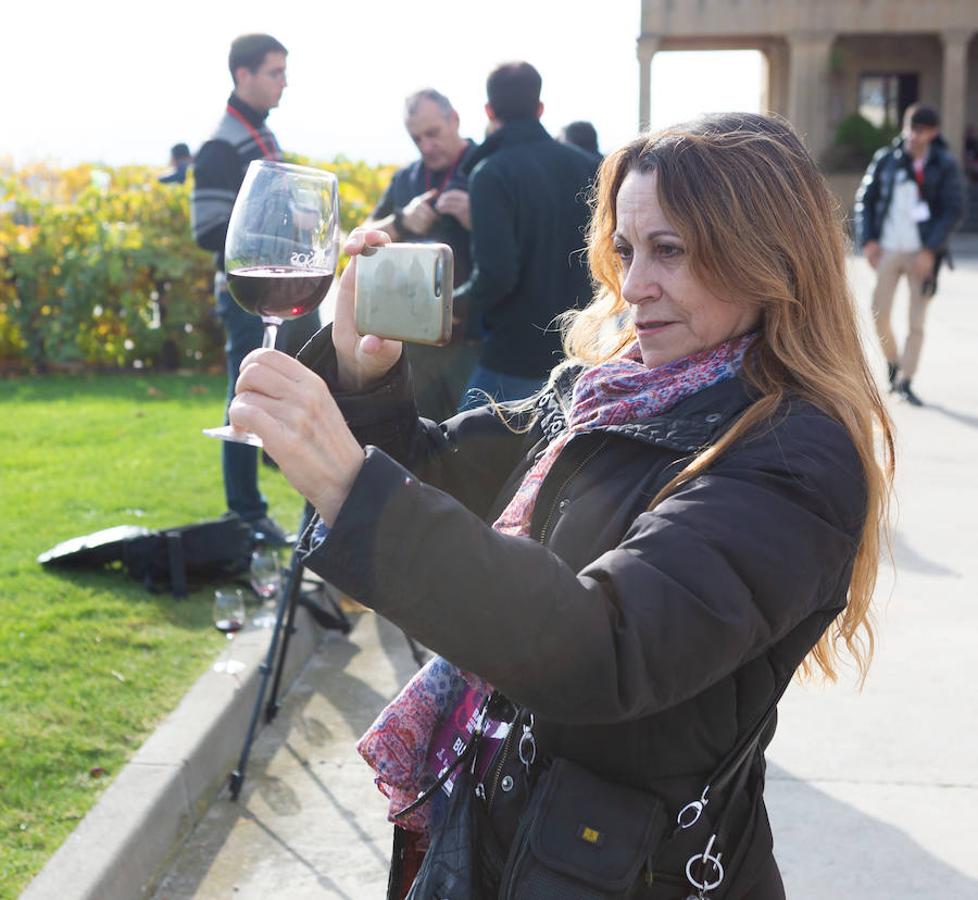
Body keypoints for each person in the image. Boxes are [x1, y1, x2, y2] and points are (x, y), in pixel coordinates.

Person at [227, 112, 894, 899]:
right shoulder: (606, 391)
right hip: (500, 839)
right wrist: (366, 380)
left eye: (670, 251)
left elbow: (605, 646)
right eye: (627, 249)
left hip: (629, 873)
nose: (635, 284)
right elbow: (442, 483)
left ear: (767, 256)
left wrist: (350, 484)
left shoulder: (795, 456)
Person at [190, 33, 320, 545]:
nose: (284, 83)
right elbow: (207, 230)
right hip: (249, 297)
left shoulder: (259, 137)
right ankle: (245, 513)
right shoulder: (223, 145)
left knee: (271, 392)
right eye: (275, 72)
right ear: (242, 75)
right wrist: (286, 222)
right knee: (243, 399)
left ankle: (263, 508)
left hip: (277, 287)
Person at [455, 61, 599, 407]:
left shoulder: (490, 173)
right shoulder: (589, 166)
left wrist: (451, 305)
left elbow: (496, 274)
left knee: (459, 455)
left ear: (489, 110)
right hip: (580, 350)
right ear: (540, 109)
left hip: (512, 358)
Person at [365, 89, 480, 422]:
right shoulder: (407, 178)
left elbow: (527, 240)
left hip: (475, 343)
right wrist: (402, 220)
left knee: (473, 454)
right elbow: (362, 236)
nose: (426, 146)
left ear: (454, 119)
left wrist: (479, 220)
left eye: (433, 134)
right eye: (417, 139)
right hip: (413, 343)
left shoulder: (486, 167)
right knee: (417, 444)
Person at [855, 103, 964, 407]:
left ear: (933, 133)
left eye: (920, 130)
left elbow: (953, 209)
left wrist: (930, 251)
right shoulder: (886, 159)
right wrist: (869, 240)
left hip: (922, 253)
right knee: (879, 314)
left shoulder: (944, 164)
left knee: (917, 321)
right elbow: (866, 198)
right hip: (889, 247)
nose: (913, 135)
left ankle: (905, 380)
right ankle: (893, 362)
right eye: (910, 128)